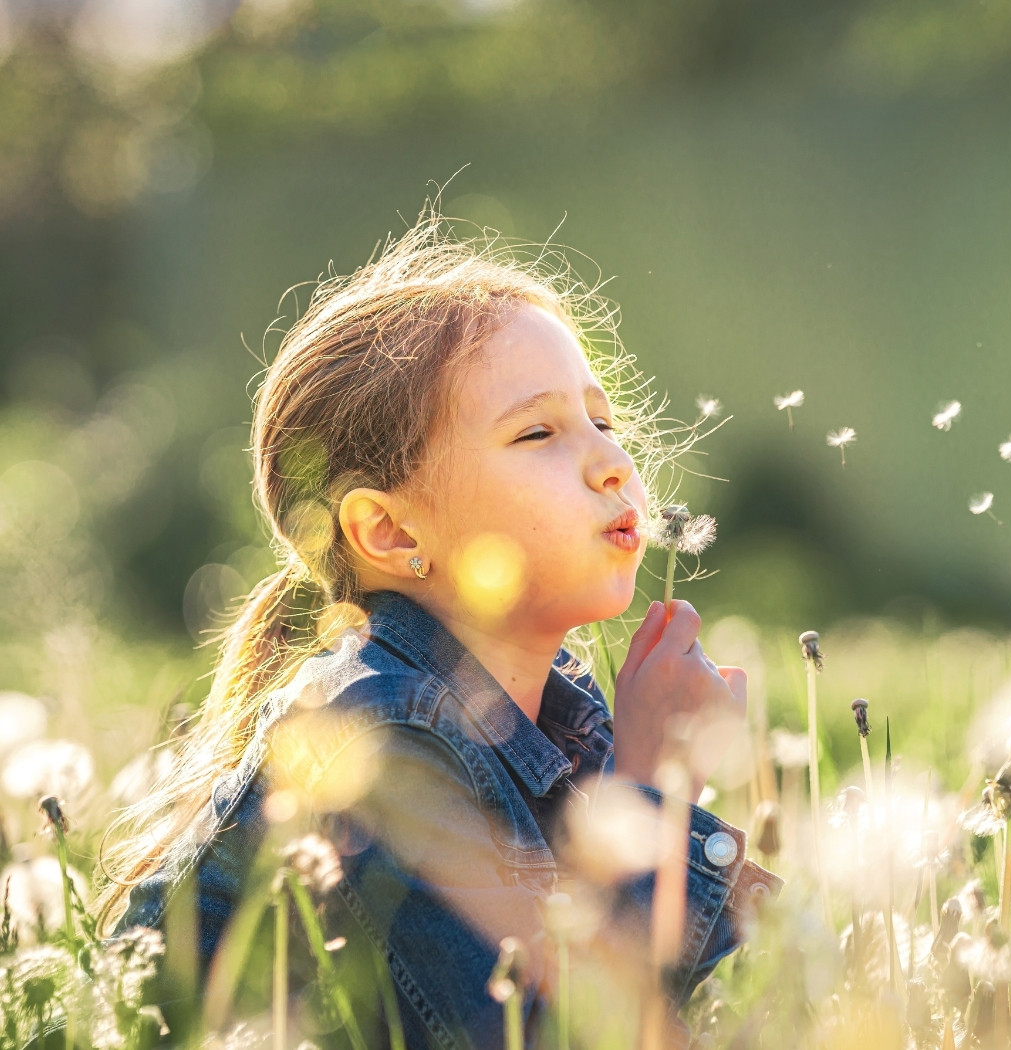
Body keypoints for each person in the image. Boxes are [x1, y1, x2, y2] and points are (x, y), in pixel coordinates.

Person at [90, 206, 782, 1050]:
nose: (614, 463)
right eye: (539, 432)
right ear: (391, 533)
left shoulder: (554, 724)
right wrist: (654, 787)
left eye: (604, 421)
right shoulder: (377, 739)